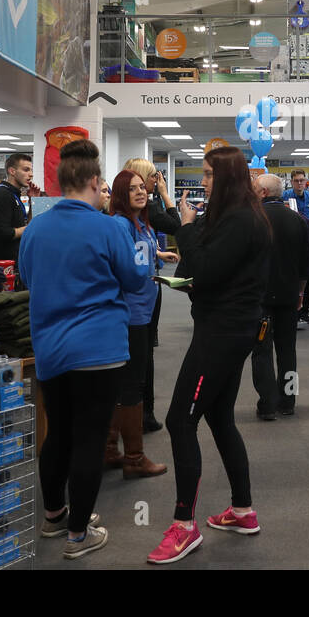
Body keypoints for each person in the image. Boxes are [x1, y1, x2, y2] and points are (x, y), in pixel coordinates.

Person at [18, 140, 152, 558]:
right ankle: (78, 534)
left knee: (58, 433)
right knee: (90, 440)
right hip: (98, 350)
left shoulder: (36, 228)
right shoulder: (108, 228)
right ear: (95, 182)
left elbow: (26, 278)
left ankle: (54, 516)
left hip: (50, 349)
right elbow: (134, 279)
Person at [148, 146, 272, 564]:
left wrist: (184, 227)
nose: (202, 182)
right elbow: (209, 266)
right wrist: (186, 223)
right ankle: (243, 509)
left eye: (207, 174)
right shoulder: (235, 216)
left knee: (179, 420)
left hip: (222, 334)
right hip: (227, 327)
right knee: (219, 418)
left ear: (227, 178)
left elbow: (201, 268)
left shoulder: (241, 220)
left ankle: (184, 526)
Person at [105, 169, 176, 477]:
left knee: (134, 377)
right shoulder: (120, 224)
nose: (140, 192)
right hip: (131, 312)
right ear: (121, 194)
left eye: (141, 187)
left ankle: (110, 450)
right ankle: (133, 458)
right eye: (132, 189)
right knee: (132, 381)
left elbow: (138, 253)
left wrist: (158, 254)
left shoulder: (141, 223)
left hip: (145, 308)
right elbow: (122, 264)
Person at [124, 158, 182, 433]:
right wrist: (165, 193)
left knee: (145, 355)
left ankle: (144, 414)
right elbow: (175, 224)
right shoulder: (134, 215)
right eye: (151, 178)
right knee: (140, 358)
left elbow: (140, 245)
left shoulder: (141, 217)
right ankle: (140, 417)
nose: (147, 187)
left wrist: (157, 253)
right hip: (138, 299)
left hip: (148, 292)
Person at [251, 174, 309, 419]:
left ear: (263, 192)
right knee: (288, 351)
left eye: (254, 189)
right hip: (289, 296)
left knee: (261, 351)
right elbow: (305, 264)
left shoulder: (252, 219)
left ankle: (267, 404)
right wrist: (300, 292)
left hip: (260, 298)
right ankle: (288, 401)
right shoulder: (299, 220)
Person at [283, 170, 309, 325]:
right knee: (292, 277)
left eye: (302, 180)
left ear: (306, 181)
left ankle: (304, 312)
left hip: (307, 239)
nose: (299, 183)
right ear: (292, 182)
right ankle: (291, 311)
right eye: (296, 180)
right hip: (290, 239)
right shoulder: (285, 195)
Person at [0, 152, 32, 261]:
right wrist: (32, 228)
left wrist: (32, 201)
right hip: (4, 265)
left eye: (31, 170)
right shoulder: (3, 195)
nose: (31, 174)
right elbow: (4, 233)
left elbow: (24, 225)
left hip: (16, 261)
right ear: (12, 171)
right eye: (26, 170)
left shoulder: (14, 194)